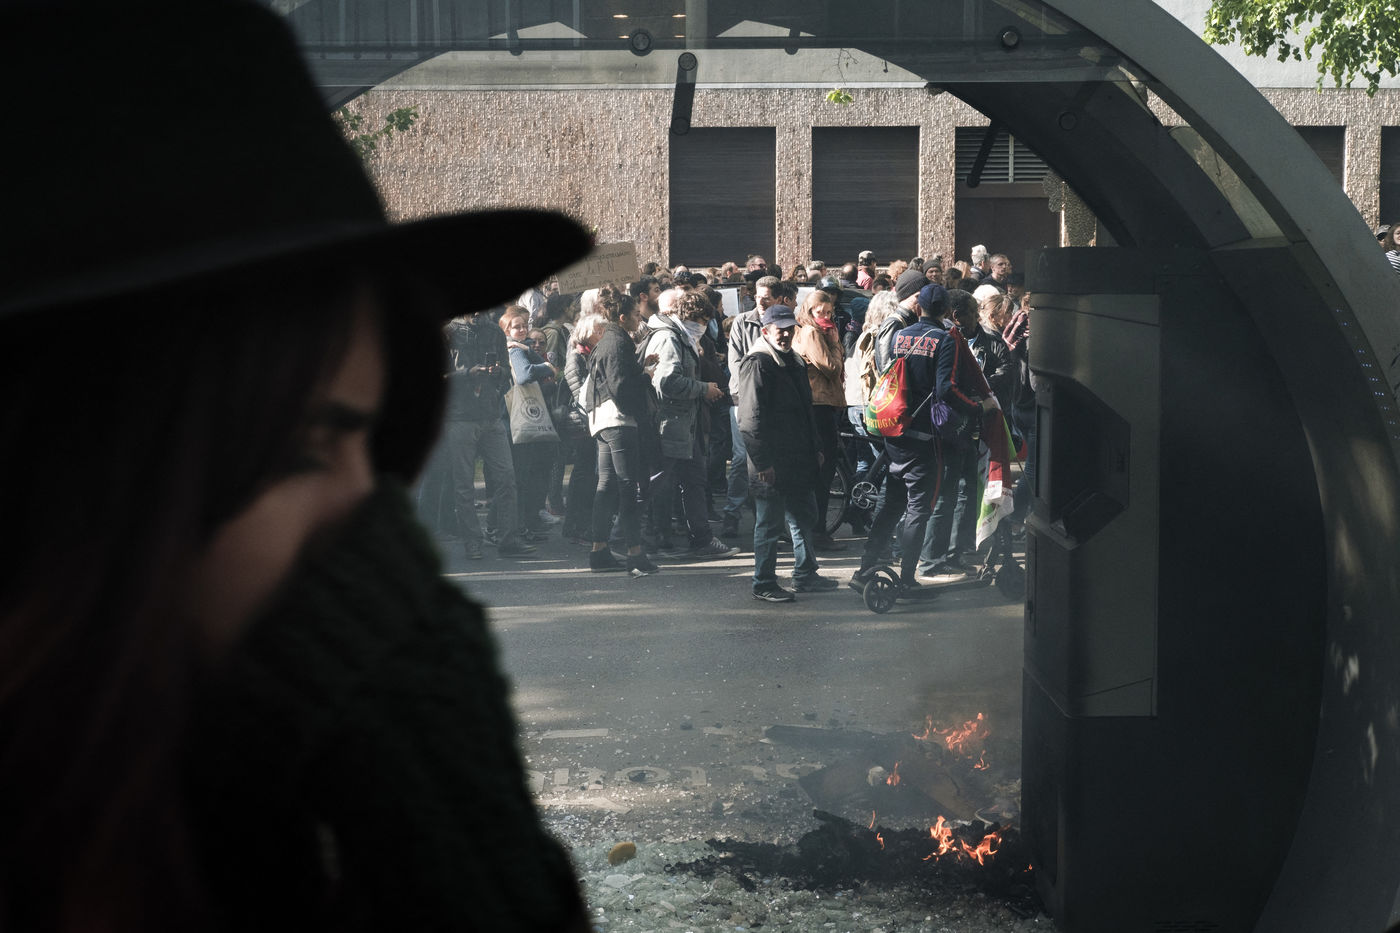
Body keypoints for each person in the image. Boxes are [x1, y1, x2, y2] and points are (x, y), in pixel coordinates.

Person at [0, 3, 595, 931]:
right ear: (68, 470)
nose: (371, 517)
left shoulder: (232, 806)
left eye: (376, 440)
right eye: (304, 449)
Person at [852, 285, 992, 593]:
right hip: (925, 435)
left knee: (891, 504)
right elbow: (945, 389)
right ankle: (906, 578)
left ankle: (865, 568)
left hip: (896, 428)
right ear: (946, 311)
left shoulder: (902, 335)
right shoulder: (944, 339)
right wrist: (977, 408)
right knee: (919, 507)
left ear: (920, 308)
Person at [738, 304, 841, 602]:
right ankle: (763, 583)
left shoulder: (792, 359)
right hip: (772, 461)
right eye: (779, 329)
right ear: (765, 330)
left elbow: (806, 410)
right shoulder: (757, 363)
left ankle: (805, 574)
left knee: (803, 516)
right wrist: (762, 463)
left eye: (788, 328)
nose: (784, 334)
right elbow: (750, 419)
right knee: (769, 524)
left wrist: (815, 447)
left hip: (798, 457)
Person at [643, 289, 737, 560]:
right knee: (658, 483)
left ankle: (701, 538)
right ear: (690, 317)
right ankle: (636, 539)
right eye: (702, 321)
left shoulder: (680, 336)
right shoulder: (670, 338)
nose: (703, 327)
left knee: (693, 480)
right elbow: (666, 382)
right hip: (670, 424)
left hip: (685, 424)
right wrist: (703, 389)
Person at [442, 306, 537, 559]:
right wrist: (467, 373)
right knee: (464, 485)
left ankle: (508, 539)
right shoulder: (448, 332)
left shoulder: (494, 332)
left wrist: (498, 372)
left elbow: (506, 371)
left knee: (506, 478)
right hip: (460, 417)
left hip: (490, 414)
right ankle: (472, 542)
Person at [587, 286, 661, 576]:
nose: (638, 319)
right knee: (628, 487)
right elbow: (621, 387)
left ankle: (599, 551)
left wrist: (640, 367)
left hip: (602, 419)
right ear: (622, 317)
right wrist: (646, 376)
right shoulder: (618, 341)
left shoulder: (607, 340)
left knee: (607, 486)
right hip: (619, 421)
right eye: (635, 315)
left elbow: (614, 378)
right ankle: (635, 554)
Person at [792, 289, 847, 551]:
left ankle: (816, 530)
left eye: (829, 312)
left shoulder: (812, 331)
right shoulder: (812, 333)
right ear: (809, 311)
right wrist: (835, 344)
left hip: (822, 403)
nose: (825, 316)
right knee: (823, 471)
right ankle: (818, 532)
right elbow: (831, 368)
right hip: (820, 404)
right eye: (820, 312)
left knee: (822, 469)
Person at [560, 311, 607, 543]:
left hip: (591, 419)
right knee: (583, 475)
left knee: (587, 473)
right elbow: (579, 392)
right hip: (582, 422)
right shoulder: (577, 356)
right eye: (599, 331)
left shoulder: (591, 354)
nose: (602, 334)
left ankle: (580, 523)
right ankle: (576, 524)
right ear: (587, 333)